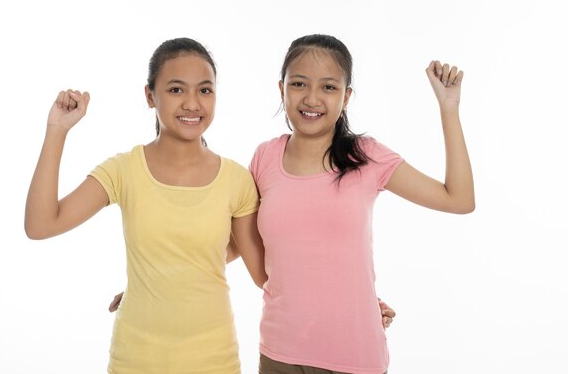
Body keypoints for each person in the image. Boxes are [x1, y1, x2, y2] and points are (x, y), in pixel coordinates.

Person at [24, 38, 267, 374]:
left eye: (205, 90)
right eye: (177, 90)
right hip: (135, 359)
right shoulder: (124, 170)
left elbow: (261, 270)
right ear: (150, 96)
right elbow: (41, 225)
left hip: (214, 360)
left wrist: (169, 280)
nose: (193, 103)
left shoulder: (236, 180)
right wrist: (56, 131)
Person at [251, 34, 474, 374]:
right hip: (279, 353)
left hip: (354, 357)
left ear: (346, 98)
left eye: (328, 87)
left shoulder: (366, 156)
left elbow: (458, 199)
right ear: (282, 89)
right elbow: (264, 266)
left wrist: (449, 108)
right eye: (299, 84)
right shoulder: (264, 157)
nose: (312, 98)